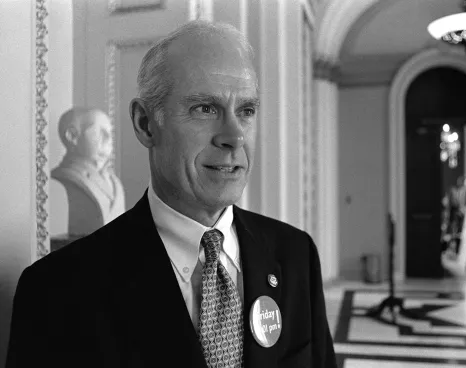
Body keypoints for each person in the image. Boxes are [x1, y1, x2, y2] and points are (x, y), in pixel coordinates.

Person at [6, 21, 337, 368]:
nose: (234, 137)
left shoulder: (296, 255)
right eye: (205, 109)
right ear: (146, 124)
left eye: (246, 111)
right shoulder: (56, 291)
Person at [51, 107, 125, 235]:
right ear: (72, 136)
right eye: (99, 132)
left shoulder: (114, 182)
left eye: (109, 132)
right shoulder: (62, 181)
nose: (108, 138)